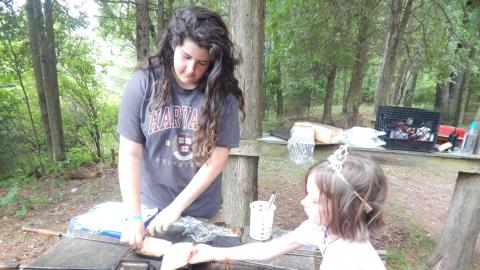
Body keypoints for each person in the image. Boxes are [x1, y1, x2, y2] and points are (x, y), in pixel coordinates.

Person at [117, 6, 244, 249]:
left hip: (201, 210)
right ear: (173, 44)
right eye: (186, 57)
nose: (191, 69)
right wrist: (134, 216)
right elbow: (130, 154)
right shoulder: (143, 83)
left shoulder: (222, 94)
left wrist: (177, 207)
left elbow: (218, 157)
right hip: (149, 208)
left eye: (202, 63)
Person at [188, 146, 388, 270]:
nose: (304, 202)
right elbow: (269, 249)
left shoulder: (349, 260)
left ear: (346, 209)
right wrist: (214, 254)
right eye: (307, 193)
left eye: (315, 200)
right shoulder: (319, 229)